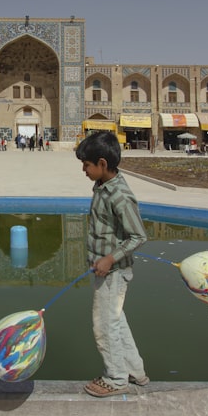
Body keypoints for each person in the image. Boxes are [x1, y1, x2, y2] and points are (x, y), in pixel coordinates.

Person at [74, 131, 149, 397]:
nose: (84, 169)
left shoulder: (119, 195)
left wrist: (108, 258)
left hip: (114, 272)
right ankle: (134, 371)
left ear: (102, 164)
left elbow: (139, 236)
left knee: (104, 326)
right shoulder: (102, 187)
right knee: (116, 321)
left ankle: (116, 378)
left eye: (87, 164)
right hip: (107, 270)